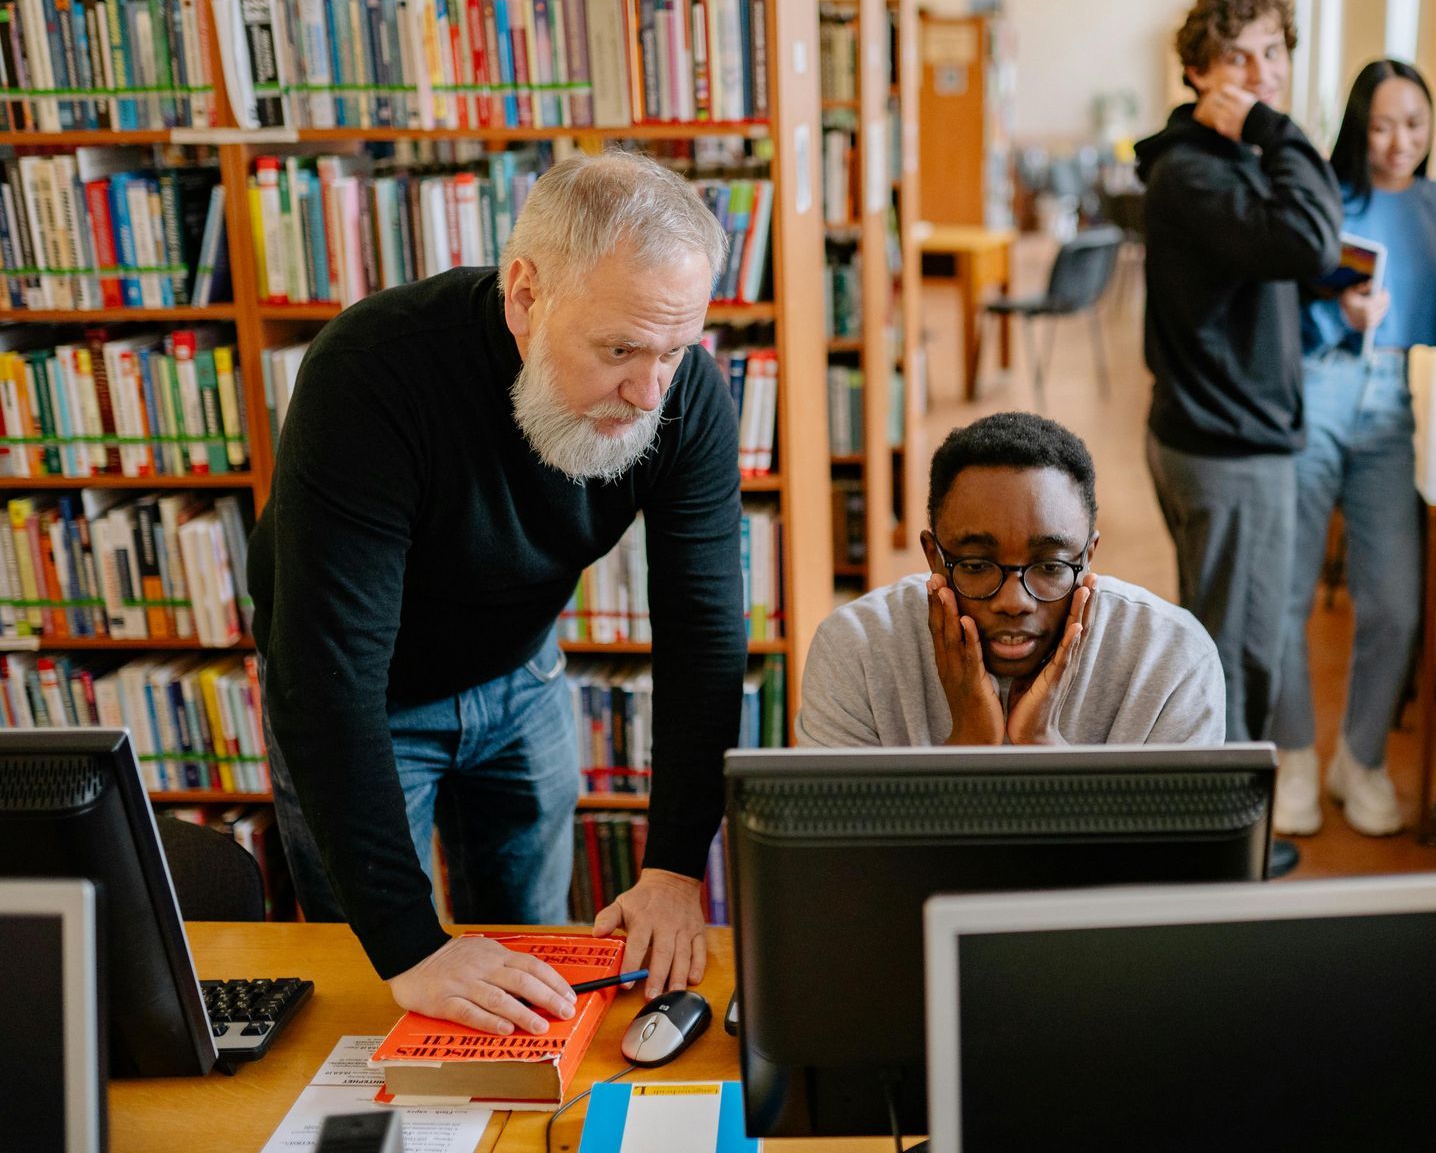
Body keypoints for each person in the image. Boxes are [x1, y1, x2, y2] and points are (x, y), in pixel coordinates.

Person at [251, 151, 747, 1034]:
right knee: (379, 996)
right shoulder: (372, 373)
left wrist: (674, 866)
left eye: (675, 348)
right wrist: (411, 948)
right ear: (525, 295)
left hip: (523, 678)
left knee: (529, 968)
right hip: (367, 705)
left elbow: (703, 631)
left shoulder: (684, 397)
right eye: (621, 348)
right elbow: (327, 676)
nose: (649, 392)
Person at [1135, 0, 1343, 759]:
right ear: (1198, 73)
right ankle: (1222, 844)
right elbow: (1310, 241)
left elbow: (1280, 258)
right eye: (1237, 58)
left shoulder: (1222, 160)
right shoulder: (1195, 170)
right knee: (1234, 650)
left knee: (1235, 640)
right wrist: (1276, 128)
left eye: (1274, 52)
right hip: (1227, 445)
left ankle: (1224, 835)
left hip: (1227, 432)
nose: (1261, 73)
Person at [1271, 61, 1436, 838]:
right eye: (1383, 125)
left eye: (1415, 124)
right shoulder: (1322, 192)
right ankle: (1292, 755)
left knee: (1393, 599)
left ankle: (1361, 757)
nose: (1399, 142)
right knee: (1285, 591)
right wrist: (1334, 306)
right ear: (1358, 125)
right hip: (1314, 385)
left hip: (1393, 398)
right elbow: (1276, 293)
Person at [797, 413, 1225, 748]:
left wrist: (1042, 745)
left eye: (1052, 567)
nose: (1014, 601)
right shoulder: (854, 651)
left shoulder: (1173, 658)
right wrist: (969, 743)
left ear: (1088, 557)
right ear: (934, 558)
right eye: (977, 565)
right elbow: (848, 860)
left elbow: (1169, 862)